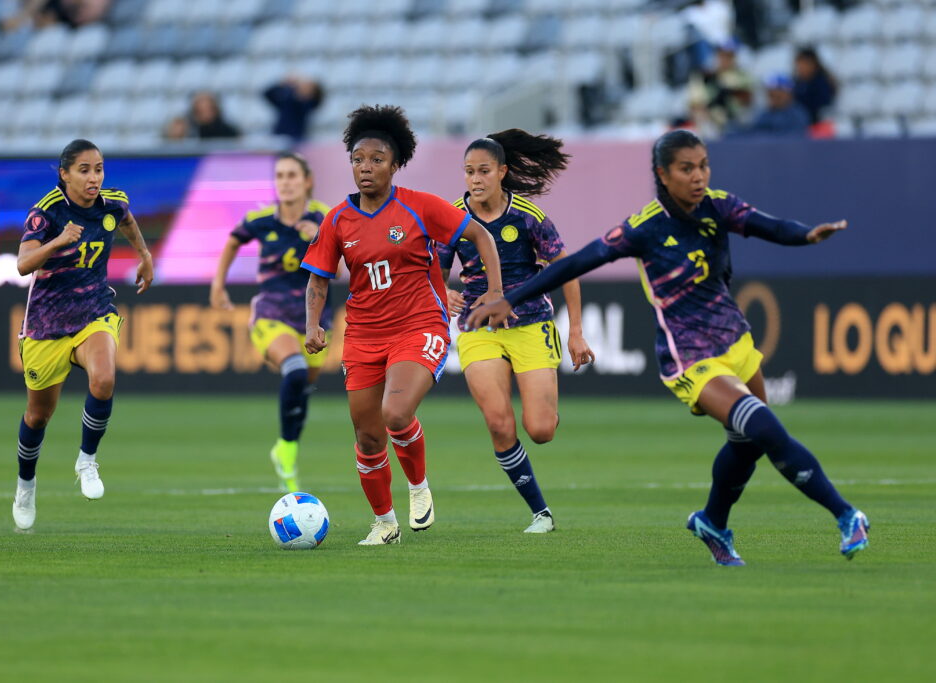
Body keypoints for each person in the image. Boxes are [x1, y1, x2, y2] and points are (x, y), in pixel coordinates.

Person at [467, 129, 869, 566]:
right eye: (686, 168)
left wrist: (806, 235)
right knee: (766, 428)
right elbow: (576, 262)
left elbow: (767, 226)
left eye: (703, 166)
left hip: (735, 338)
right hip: (688, 355)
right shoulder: (644, 228)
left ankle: (713, 520)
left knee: (749, 441)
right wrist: (511, 298)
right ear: (663, 173)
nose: (698, 177)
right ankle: (846, 515)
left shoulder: (718, 205)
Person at [301, 104, 504, 546]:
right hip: (363, 334)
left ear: (395, 164)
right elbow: (318, 277)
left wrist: (493, 291)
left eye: (376, 159)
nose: (366, 168)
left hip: (419, 324)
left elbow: (481, 237)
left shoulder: (420, 207)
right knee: (367, 435)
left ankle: (418, 487)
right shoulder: (337, 219)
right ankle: (384, 523)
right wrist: (313, 325)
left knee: (395, 413)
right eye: (358, 160)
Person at [437, 129, 594, 533]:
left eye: (484, 171)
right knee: (498, 423)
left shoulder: (529, 217)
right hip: (478, 328)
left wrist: (575, 332)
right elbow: (430, 272)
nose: (475, 179)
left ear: (502, 172)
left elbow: (568, 269)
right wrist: (444, 293)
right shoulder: (453, 217)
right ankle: (540, 513)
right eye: (469, 171)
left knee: (539, 430)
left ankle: (547, 412)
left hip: (531, 324)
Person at [11, 139, 154, 531]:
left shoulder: (112, 203)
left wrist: (144, 255)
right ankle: (26, 484)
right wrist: (59, 241)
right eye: (85, 170)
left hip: (93, 310)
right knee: (39, 416)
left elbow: (125, 219)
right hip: (46, 323)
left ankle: (87, 461)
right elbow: (23, 264)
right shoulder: (46, 213)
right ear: (65, 174)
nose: (94, 178)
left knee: (104, 378)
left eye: (99, 169)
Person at [210, 153, 331, 492]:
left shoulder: (326, 217)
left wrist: (319, 238)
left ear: (307, 181)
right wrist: (218, 284)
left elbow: (349, 258)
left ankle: (286, 448)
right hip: (271, 312)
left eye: (292, 175)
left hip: (316, 317)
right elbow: (234, 240)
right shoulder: (262, 219)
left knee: (303, 385)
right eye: (280, 175)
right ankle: (288, 450)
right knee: (293, 369)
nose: (285, 181)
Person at [731, 73, 810, 138]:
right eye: (770, 93)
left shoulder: (797, 113)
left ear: (788, 94)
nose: (773, 95)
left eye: (778, 91)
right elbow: (753, 132)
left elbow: (796, 137)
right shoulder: (765, 113)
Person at [264, 76, 324, 145]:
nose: (303, 87)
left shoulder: (308, 105)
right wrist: (282, 84)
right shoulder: (287, 101)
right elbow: (267, 94)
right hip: (278, 137)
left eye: (308, 87)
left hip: (294, 140)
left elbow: (299, 101)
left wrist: (293, 86)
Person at [793, 47, 838, 126]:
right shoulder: (796, 82)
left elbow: (823, 108)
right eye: (799, 64)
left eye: (805, 63)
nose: (801, 67)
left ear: (814, 64)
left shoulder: (822, 83)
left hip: (816, 126)